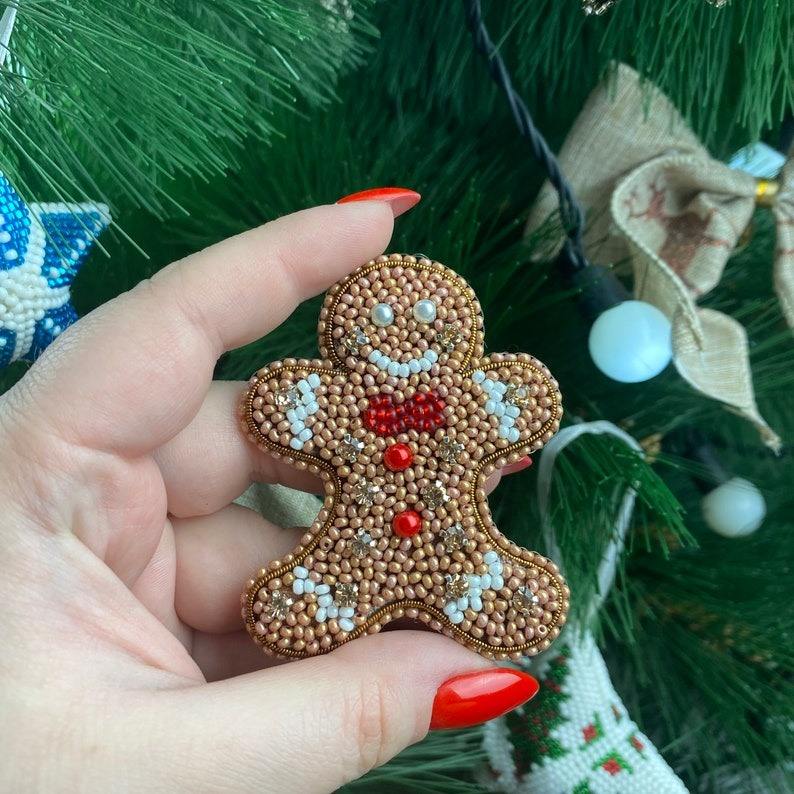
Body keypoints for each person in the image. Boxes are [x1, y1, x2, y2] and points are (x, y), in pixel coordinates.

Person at [0, 189, 539, 792]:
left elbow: (524, 398)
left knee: (480, 577)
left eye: (422, 319)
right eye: (387, 319)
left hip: (455, 541)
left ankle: (495, 593)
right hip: (354, 550)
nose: (403, 333)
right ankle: (319, 599)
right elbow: (281, 406)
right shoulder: (339, 399)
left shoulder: (469, 400)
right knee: (320, 586)